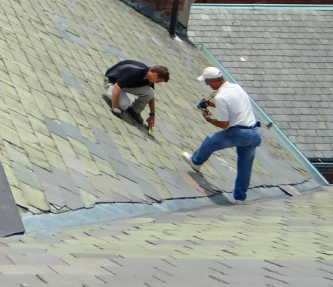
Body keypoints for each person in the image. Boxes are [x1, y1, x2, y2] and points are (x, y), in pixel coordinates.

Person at [182, 67, 262, 202]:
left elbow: (224, 124)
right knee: (245, 167)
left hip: (240, 132)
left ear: (213, 80)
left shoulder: (221, 96)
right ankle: (240, 198)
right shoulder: (236, 87)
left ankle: (196, 161)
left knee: (210, 140)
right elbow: (232, 107)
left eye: (207, 82)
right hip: (255, 134)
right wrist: (210, 104)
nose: (207, 84)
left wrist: (208, 119)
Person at [104, 60, 169, 130]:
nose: (158, 83)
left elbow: (151, 96)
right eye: (159, 81)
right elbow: (117, 87)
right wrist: (115, 108)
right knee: (124, 105)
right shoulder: (133, 72)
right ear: (155, 75)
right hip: (111, 82)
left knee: (150, 92)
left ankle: (134, 110)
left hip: (124, 84)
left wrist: (152, 115)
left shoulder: (149, 77)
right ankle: (114, 98)